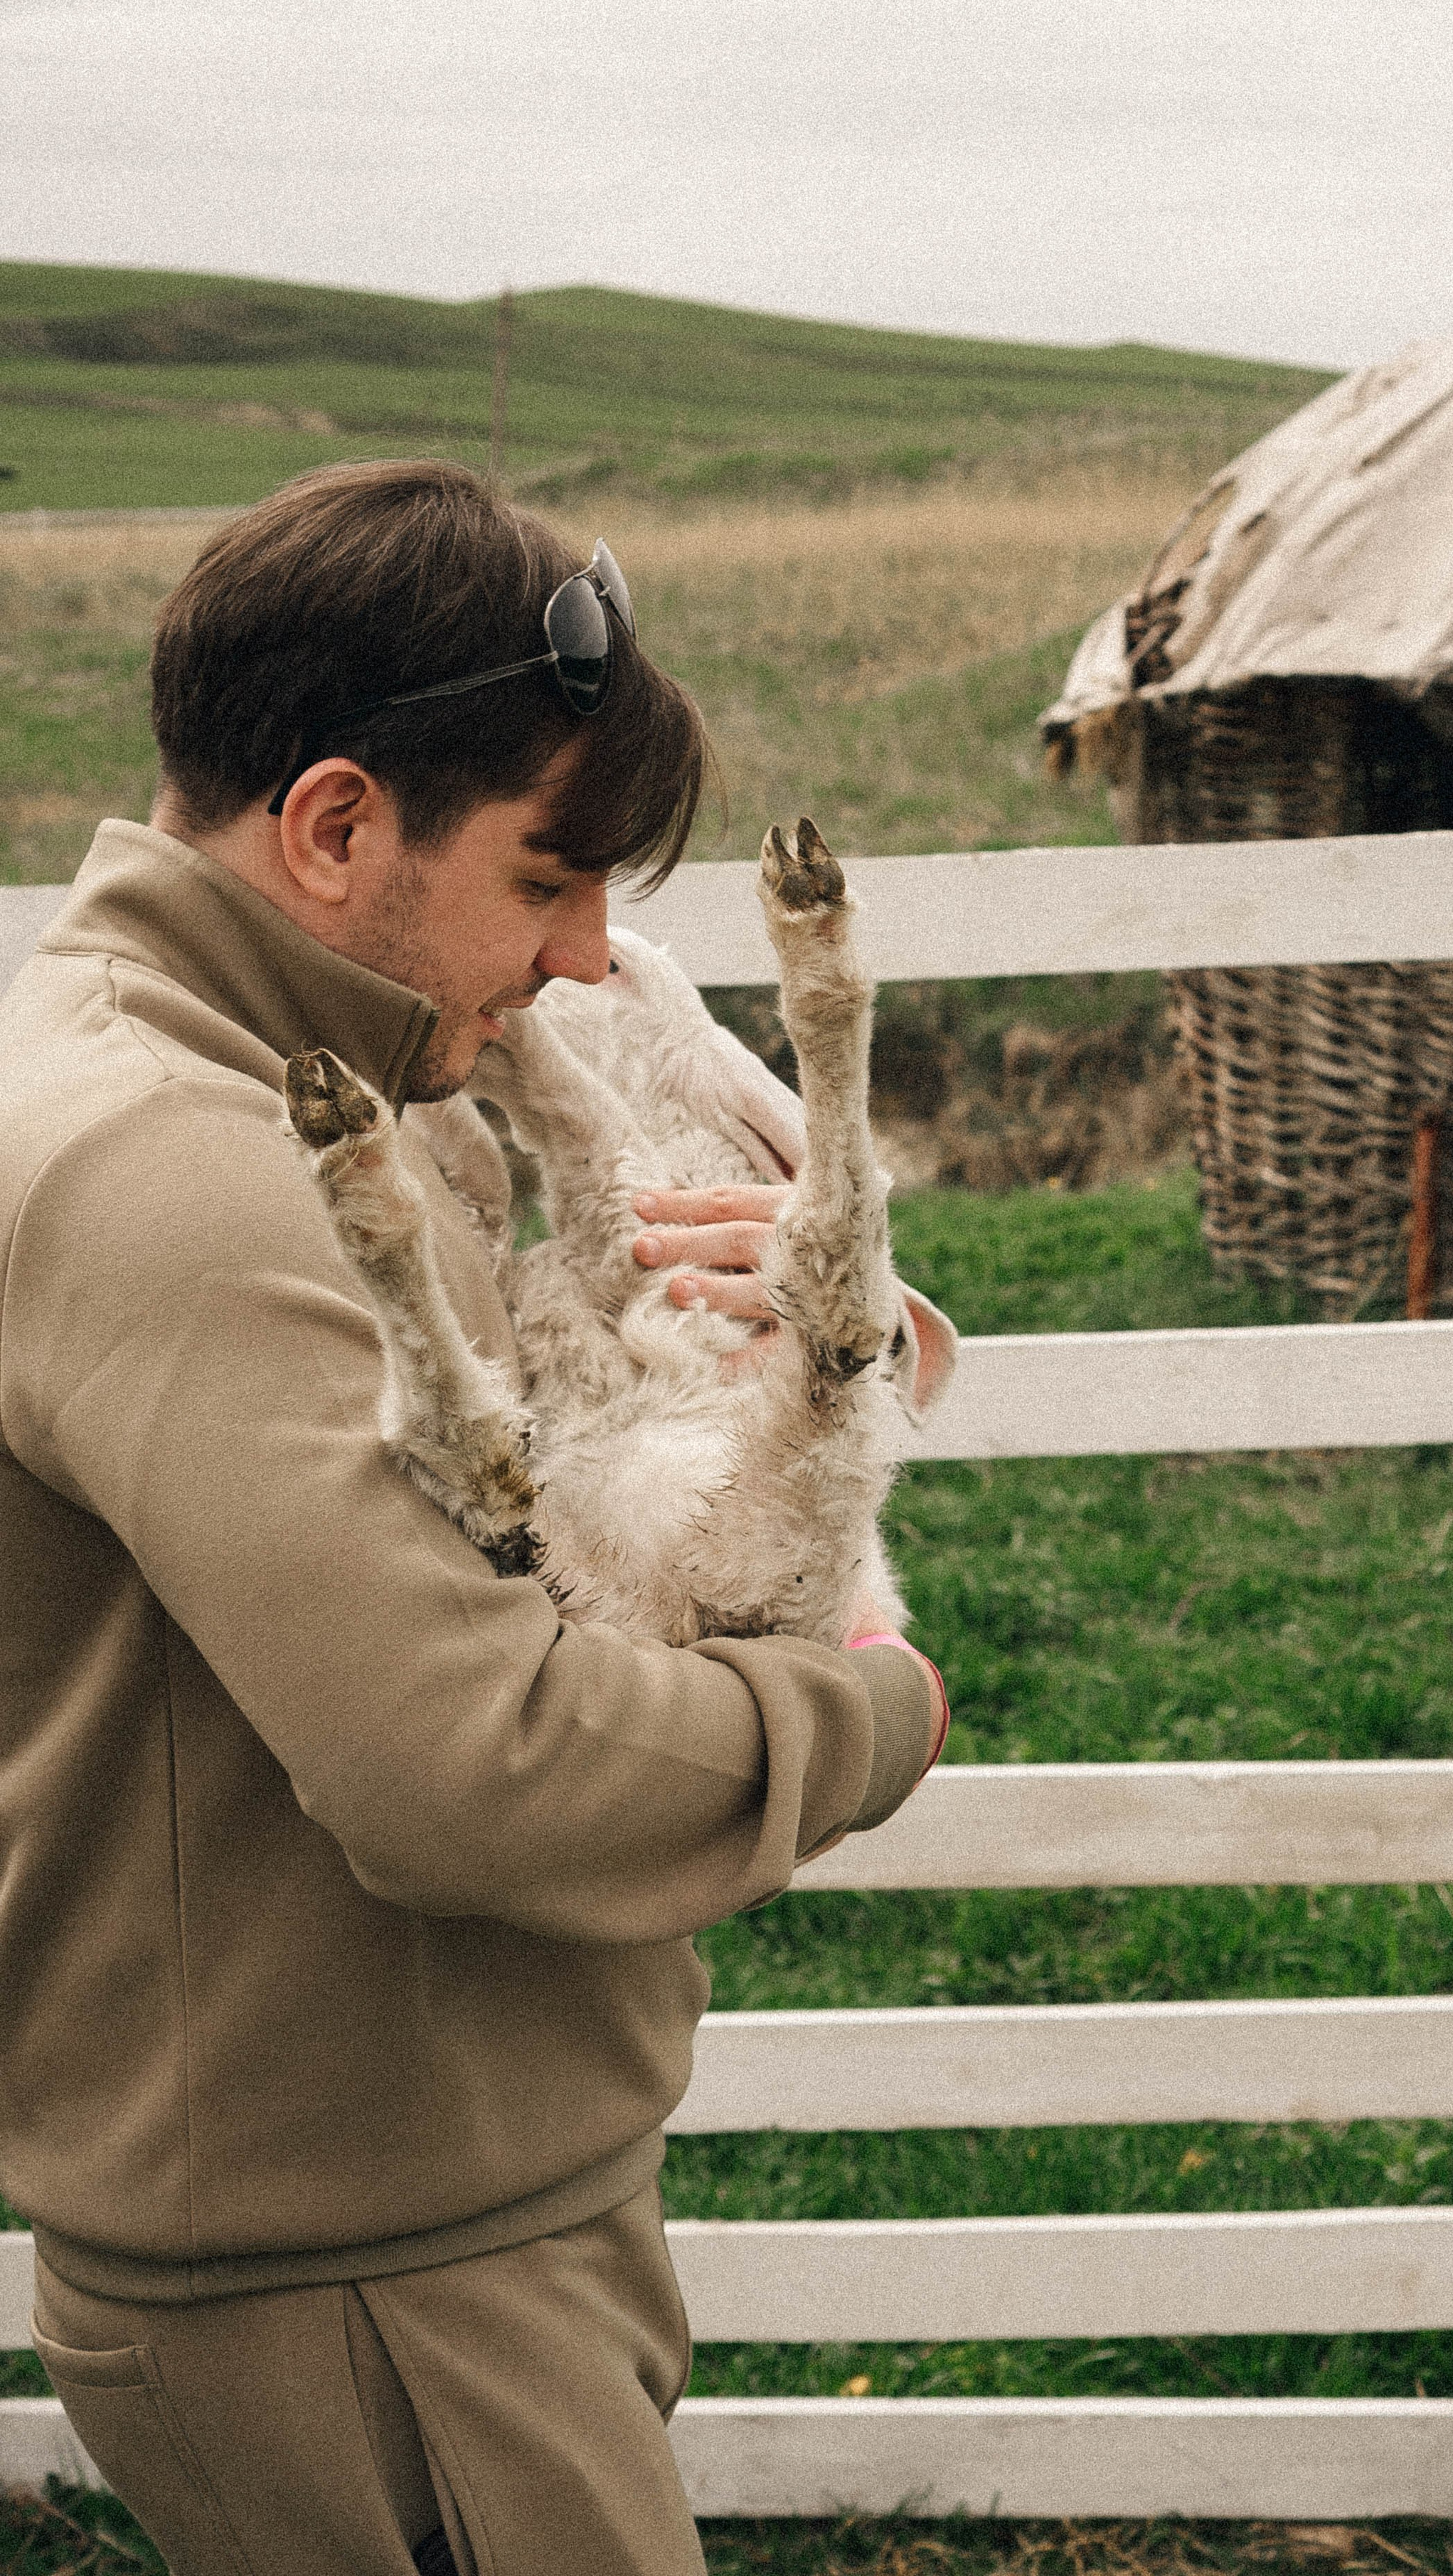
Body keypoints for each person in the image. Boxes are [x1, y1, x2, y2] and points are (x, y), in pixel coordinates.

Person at [0, 460, 947, 2576]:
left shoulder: (325, 1091)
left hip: (435, 2214)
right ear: (336, 828)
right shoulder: (176, 1168)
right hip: (359, 2281)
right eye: (549, 874)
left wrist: (825, 1344)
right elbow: (473, 1763)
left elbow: (532, 1513)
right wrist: (880, 1718)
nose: (592, 951)